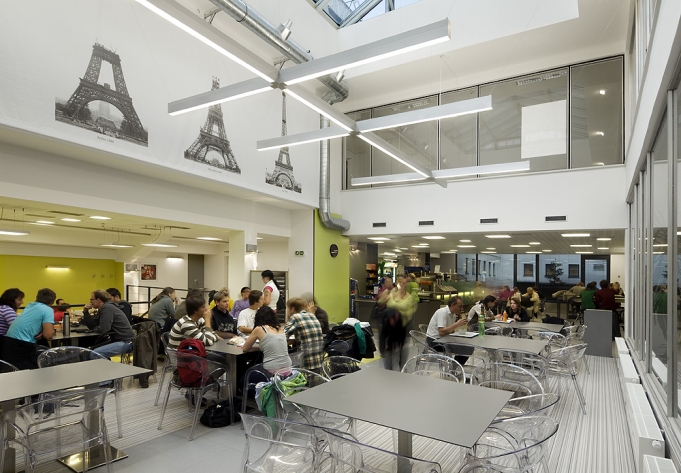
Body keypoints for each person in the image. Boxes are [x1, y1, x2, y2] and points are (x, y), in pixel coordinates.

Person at [84, 290, 135, 361]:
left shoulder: (107, 308)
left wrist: (95, 329)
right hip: (118, 340)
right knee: (89, 352)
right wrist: (85, 311)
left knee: (94, 354)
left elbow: (104, 329)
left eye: (91, 299)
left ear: (98, 300)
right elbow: (92, 326)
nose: (90, 302)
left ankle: (109, 368)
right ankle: (107, 366)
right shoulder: (104, 308)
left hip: (126, 342)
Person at [379, 278, 416, 371]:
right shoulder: (390, 293)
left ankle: (401, 371)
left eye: (405, 283)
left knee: (401, 352)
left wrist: (398, 314)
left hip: (401, 328)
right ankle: (388, 371)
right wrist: (383, 299)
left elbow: (410, 313)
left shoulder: (409, 298)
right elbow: (380, 303)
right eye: (400, 282)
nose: (403, 284)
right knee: (388, 350)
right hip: (388, 328)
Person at [242, 306, 291, 375]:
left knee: (245, 373)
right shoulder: (280, 328)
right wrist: (264, 348)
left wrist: (261, 348)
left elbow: (245, 348)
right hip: (288, 368)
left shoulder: (259, 328)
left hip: (271, 370)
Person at [284, 297, 324, 372]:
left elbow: (282, 337)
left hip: (305, 365)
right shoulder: (313, 316)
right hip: (319, 362)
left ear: (292, 309)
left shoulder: (295, 317)